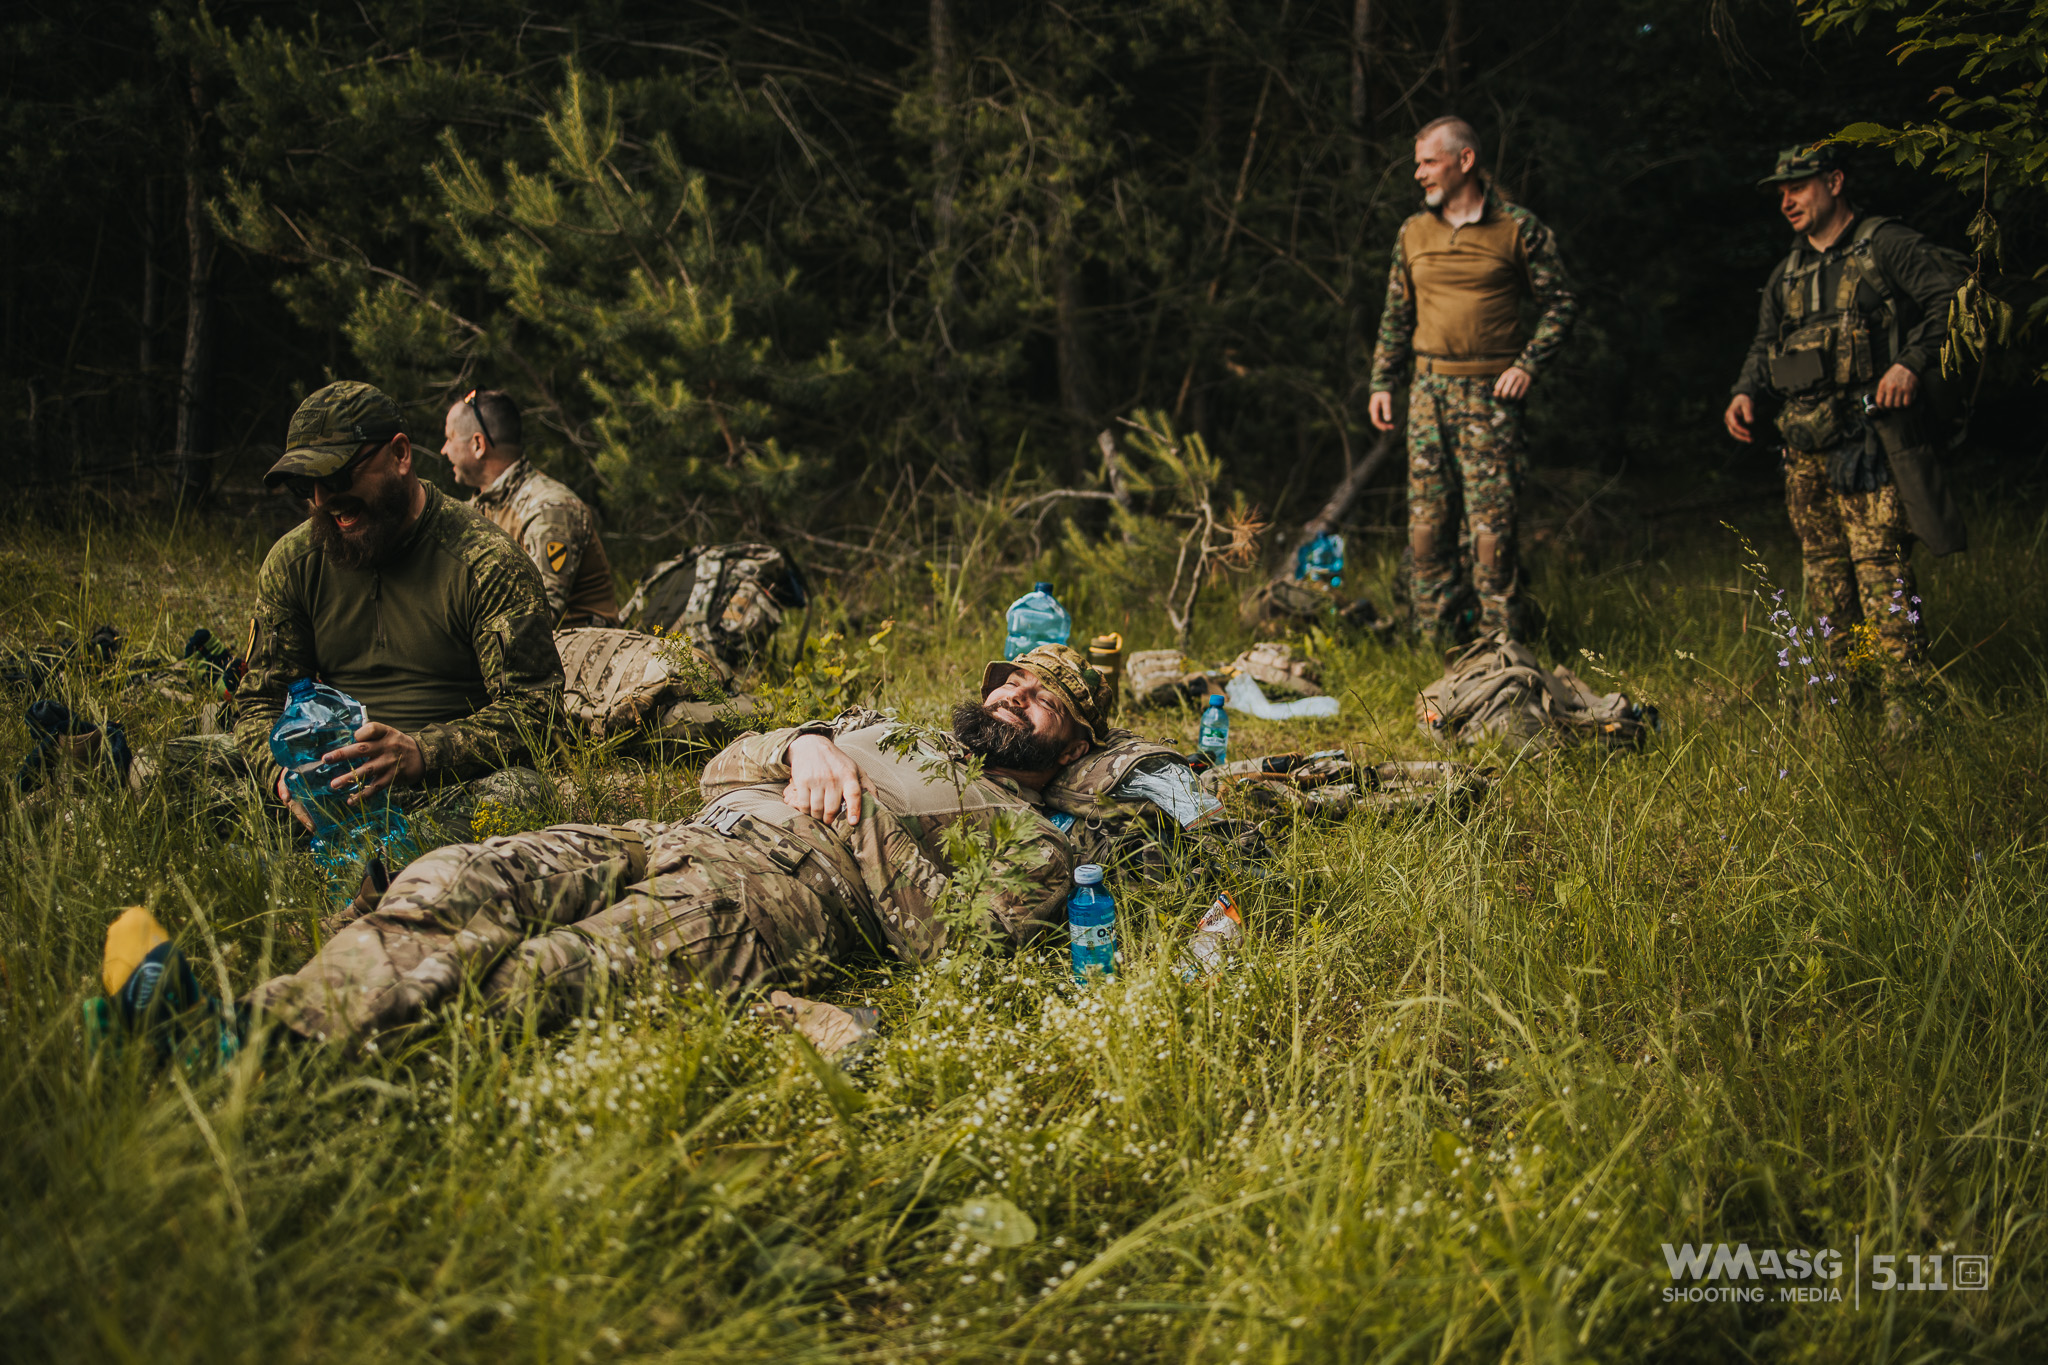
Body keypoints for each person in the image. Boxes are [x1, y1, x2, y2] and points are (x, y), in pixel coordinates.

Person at [122, 644, 1113, 1055]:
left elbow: (951, 948)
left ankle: (239, 1040)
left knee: (542, 975)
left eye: (1035, 700)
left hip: (763, 898)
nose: (1005, 701)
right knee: (466, 873)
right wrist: (802, 743)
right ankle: (280, 1011)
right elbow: (721, 768)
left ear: (1071, 738)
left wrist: (853, 817)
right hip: (668, 835)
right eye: (1002, 684)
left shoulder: (1027, 838)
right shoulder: (893, 731)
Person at [234, 380, 564, 828]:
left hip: (440, 786)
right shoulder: (295, 562)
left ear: (400, 455)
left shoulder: (485, 562)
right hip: (322, 779)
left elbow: (538, 713)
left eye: (336, 478)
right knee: (173, 766)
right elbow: (259, 704)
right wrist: (285, 778)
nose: (322, 500)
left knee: (523, 794)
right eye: (304, 486)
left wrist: (420, 753)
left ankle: (395, 866)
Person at [1723, 144, 1968, 717]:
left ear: (1834, 182)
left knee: (1884, 581)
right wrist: (1743, 391)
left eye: (1799, 186)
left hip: (1870, 448)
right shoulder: (1788, 272)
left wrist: (1910, 363)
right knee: (1827, 587)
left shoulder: (1886, 245)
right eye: (1780, 192)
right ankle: (1842, 706)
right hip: (1805, 454)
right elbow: (1765, 346)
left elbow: (1953, 296)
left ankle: (1910, 709)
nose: (1787, 200)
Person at [1368, 115, 1577, 647]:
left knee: (1491, 532)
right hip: (1426, 395)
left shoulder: (1518, 229)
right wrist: (1382, 383)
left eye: (1428, 161)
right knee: (1427, 528)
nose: (1418, 173)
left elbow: (1561, 304)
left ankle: (1501, 649)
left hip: (1490, 400)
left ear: (1465, 161)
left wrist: (1527, 364)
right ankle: (1434, 645)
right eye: (1417, 163)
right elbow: (1396, 314)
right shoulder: (1413, 232)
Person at [442, 388, 622, 628]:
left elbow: (537, 617)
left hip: (580, 655)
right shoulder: (478, 510)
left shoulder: (549, 508)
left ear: (478, 445)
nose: (444, 450)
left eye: (450, 438)